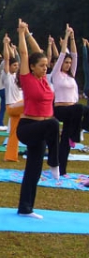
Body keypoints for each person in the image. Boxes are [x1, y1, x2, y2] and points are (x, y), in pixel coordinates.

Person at [16, 19, 60, 219]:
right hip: (28, 127)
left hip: (41, 130)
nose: (45, 68)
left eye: (46, 66)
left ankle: (26, 208)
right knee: (52, 123)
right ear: (32, 67)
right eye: (41, 66)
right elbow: (25, 53)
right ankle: (55, 161)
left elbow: (39, 51)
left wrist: (29, 33)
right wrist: (21, 33)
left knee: (33, 169)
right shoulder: (27, 78)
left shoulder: (44, 81)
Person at [51, 25, 88, 177]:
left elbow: (75, 54)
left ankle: (62, 169)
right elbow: (62, 54)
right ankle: (76, 135)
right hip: (61, 110)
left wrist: (73, 37)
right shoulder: (56, 74)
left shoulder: (71, 74)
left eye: (69, 63)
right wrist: (66, 36)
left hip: (72, 112)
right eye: (66, 63)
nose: (68, 65)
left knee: (64, 141)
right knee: (80, 107)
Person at [1, 34, 23, 162]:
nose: (16, 67)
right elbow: (7, 58)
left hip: (18, 107)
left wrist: (11, 47)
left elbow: (17, 58)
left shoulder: (18, 78)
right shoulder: (7, 76)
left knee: (15, 132)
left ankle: (10, 156)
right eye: (14, 66)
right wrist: (5, 44)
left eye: (17, 66)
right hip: (13, 106)